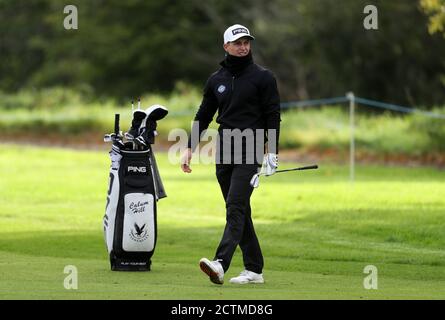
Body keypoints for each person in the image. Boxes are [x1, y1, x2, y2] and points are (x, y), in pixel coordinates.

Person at [180, 24, 281, 285]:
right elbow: (203, 115)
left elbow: (273, 115)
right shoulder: (216, 80)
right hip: (225, 146)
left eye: (247, 42)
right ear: (226, 46)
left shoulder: (263, 77)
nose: (243, 46)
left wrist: (273, 151)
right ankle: (255, 269)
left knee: (235, 206)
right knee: (239, 209)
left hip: (252, 145)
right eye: (237, 42)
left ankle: (220, 263)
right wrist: (189, 147)